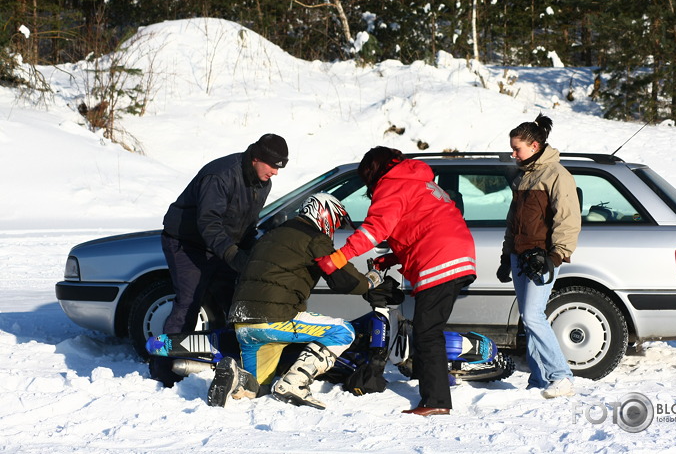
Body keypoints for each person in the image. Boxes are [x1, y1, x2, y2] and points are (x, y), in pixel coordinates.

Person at [315, 146, 476, 417]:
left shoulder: (392, 185)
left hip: (439, 258)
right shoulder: (419, 182)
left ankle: (436, 400)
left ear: (373, 171)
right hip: (458, 252)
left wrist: (338, 258)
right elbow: (420, 226)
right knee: (428, 329)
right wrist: (393, 258)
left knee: (427, 333)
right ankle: (433, 391)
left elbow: (374, 229)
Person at [207, 193, 374, 409]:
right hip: (275, 320)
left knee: (257, 389)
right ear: (325, 215)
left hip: (244, 323)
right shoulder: (315, 238)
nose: (335, 227)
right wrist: (369, 282)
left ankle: (236, 378)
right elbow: (342, 279)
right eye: (337, 221)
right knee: (343, 331)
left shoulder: (270, 235)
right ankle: (295, 383)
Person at [151, 133, 289, 387]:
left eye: (281, 167)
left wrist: (253, 255)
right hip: (187, 243)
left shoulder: (262, 183)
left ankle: (233, 361)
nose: (276, 173)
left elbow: (247, 225)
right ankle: (163, 369)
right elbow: (209, 223)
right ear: (257, 158)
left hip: (220, 244)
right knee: (189, 303)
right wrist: (233, 255)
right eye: (273, 166)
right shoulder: (221, 175)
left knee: (236, 301)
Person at [496, 113, 581, 399]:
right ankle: (539, 378)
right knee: (528, 317)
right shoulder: (524, 176)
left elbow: (568, 220)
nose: (512, 153)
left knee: (533, 316)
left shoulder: (557, 174)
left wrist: (556, 256)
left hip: (541, 258)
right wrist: (506, 256)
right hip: (521, 257)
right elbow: (513, 220)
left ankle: (562, 377)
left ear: (534, 146)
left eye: (516, 148)